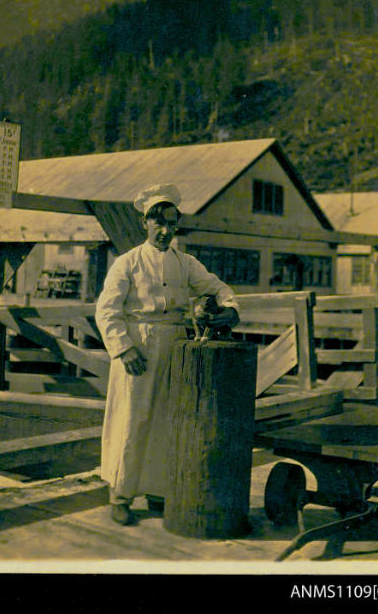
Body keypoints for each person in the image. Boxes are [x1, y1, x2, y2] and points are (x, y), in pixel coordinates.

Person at [95, 183, 240, 525]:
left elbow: (217, 287)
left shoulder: (186, 263)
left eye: (171, 224)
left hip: (175, 346)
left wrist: (230, 307)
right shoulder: (127, 263)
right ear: (145, 223)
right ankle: (121, 493)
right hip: (138, 348)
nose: (164, 231)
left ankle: (159, 489)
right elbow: (106, 310)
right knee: (133, 417)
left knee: (168, 418)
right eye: (157, 223)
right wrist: (123, 348)